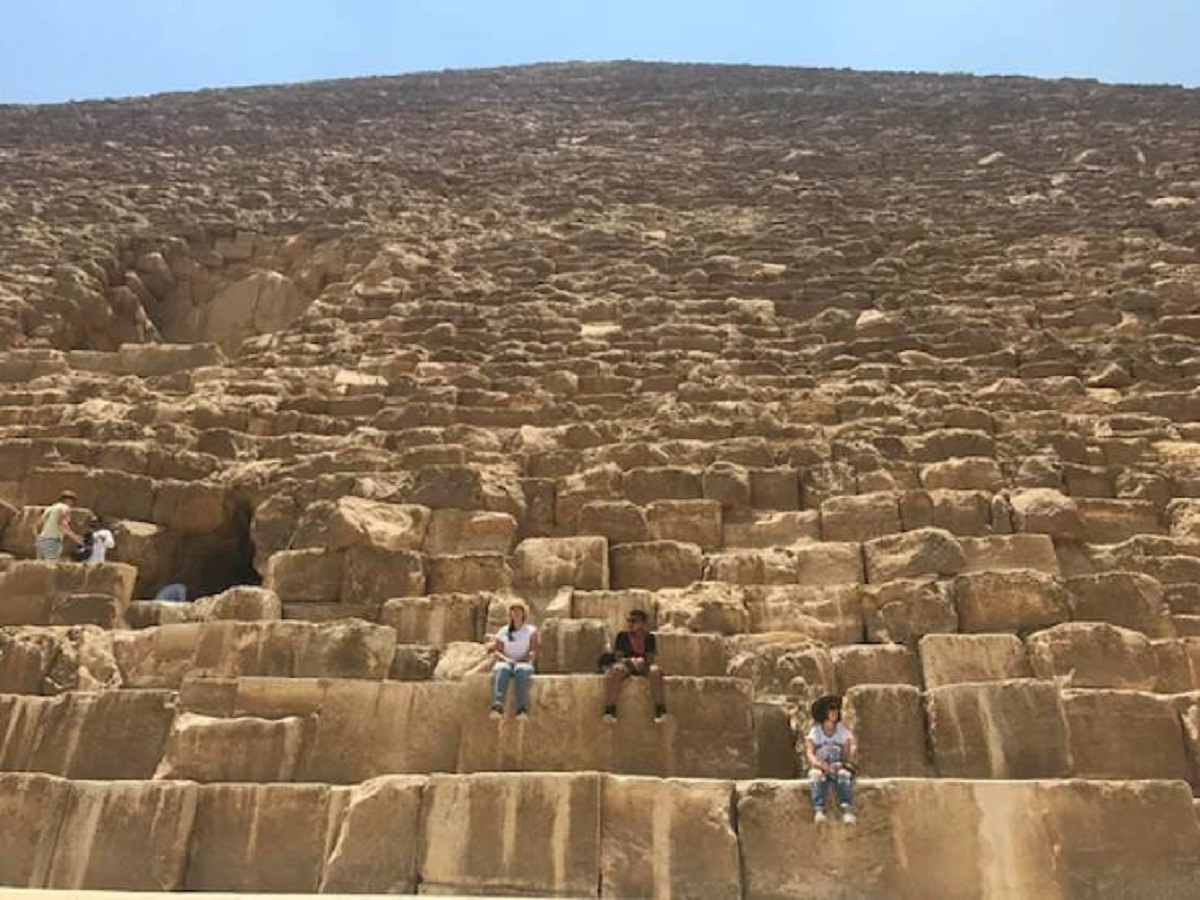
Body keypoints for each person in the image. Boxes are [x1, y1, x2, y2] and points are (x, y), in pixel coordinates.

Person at [603, 608, 667, 723]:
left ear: (642, 623)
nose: (630, 624)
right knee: (617, 670)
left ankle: (660, 708)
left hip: (643, 666)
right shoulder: (622, 636)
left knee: (655, 671)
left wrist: (642, 662)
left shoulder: (649, 638)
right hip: (627, 666)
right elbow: (618, 657)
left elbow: (650, 658)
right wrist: (630, 661)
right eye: (629, 621)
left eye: (634, 621)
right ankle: (610, 709)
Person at [805, 695, 857, 825]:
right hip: (820, 767)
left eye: (836, 709)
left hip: (837, 767)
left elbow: (846, 754)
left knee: (844, 776)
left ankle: (847, 810)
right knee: (816, 777)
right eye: (831, 709)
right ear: (824, 712)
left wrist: (841, 764)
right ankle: (819, 810)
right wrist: (819, 765)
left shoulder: (842, 731)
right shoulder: (816, 731)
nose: (835, 712)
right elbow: (810, 753)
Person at [490, 600, 538, 719]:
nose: (516, 613)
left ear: (523, 613)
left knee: (521, 670)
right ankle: (497, 706)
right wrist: (507, 660)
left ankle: (521, 709)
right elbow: (497, 651)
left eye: (519, 611)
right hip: (506, 662)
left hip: (524, 662)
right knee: (502, 669)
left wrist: (521, 660)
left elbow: (533, 651)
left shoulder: (531, 631)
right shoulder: (503, 631)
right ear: (510, 614)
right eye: (513, 611)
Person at [33, 490, 82, 561]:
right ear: (68, 500)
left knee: (40, 568)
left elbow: (36, 525)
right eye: (73, 501)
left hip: (42, 541)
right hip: (52, 541)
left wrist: (37, 538)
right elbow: (61, 524)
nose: (73, 503)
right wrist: (75, 538)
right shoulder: (65, 508)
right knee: (51, 567)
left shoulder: (50, 508)